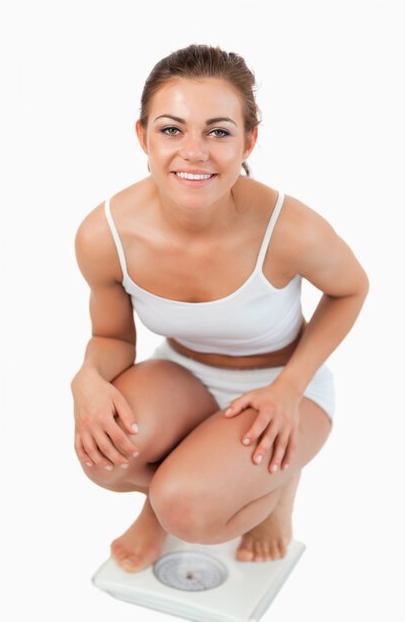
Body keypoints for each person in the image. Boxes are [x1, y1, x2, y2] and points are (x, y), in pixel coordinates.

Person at [70, 44, 369, 571]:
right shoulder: (105, 234)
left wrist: (288, 389)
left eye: (218, 131)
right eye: (171, 129)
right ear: (142, 136)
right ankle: (172, 491)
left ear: (248, 140)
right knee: (103, 458)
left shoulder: (289, 227)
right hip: (182, 373)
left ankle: (269, 491)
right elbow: (115, 340)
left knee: (190, 511)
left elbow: (351, 289)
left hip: (282, 382)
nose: (194, 151)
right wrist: (86, 379)